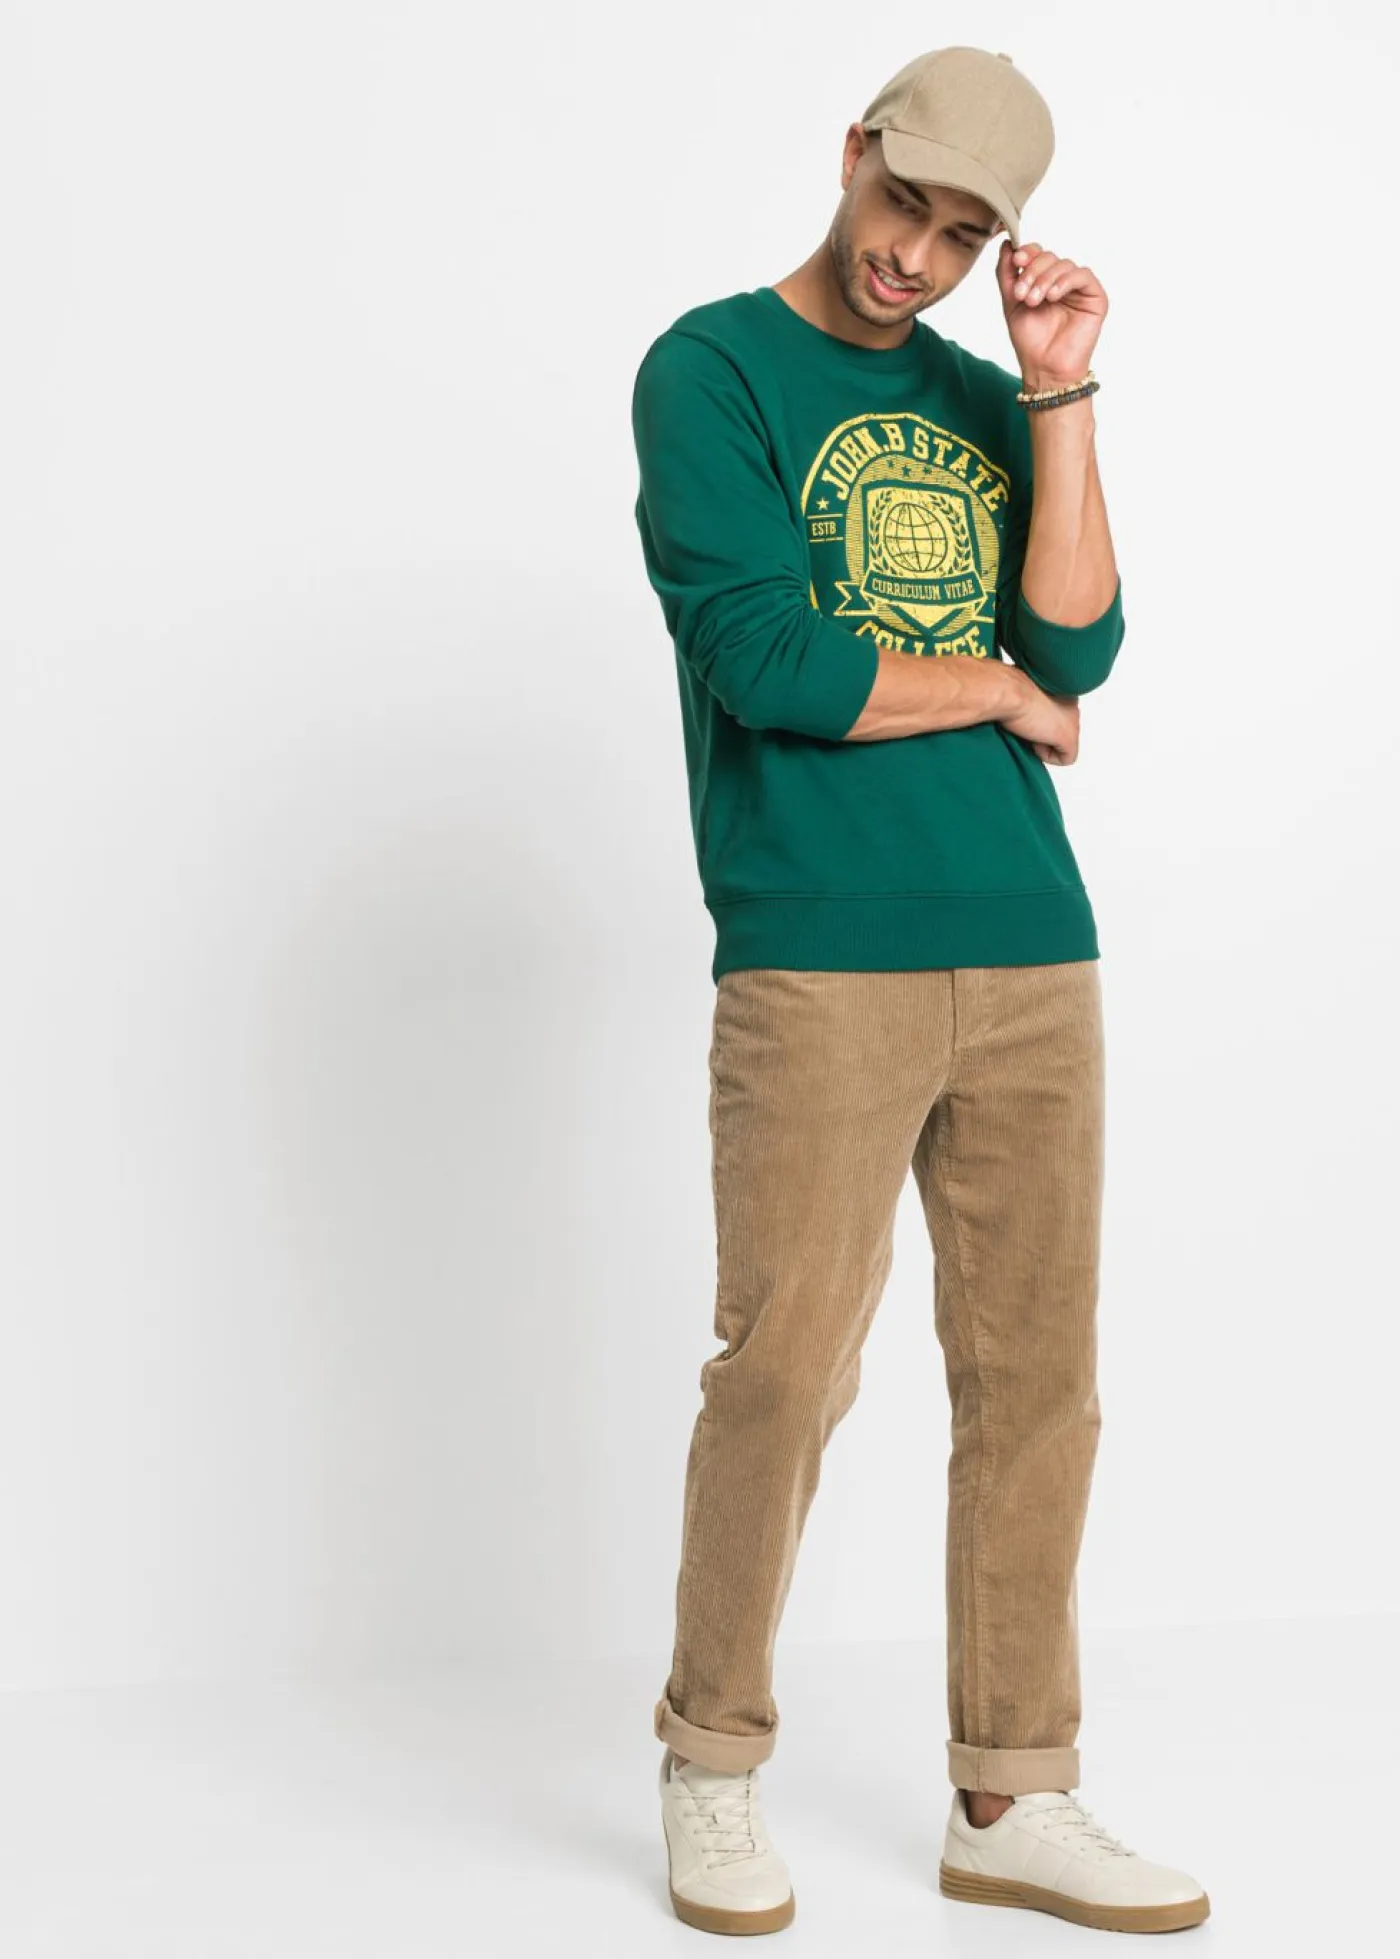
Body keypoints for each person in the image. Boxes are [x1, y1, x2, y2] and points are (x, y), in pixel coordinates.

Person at [628, 45, 1209, 1939]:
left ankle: (1012, 1792)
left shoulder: (980, 393)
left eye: (964, 234)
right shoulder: (712, 370)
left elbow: (1078, 641)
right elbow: (773, 660)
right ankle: (713, 1762)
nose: (917, 255)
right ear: (853, 152)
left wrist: (1060, 392)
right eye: (906, 203)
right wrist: (999, 693)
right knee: (784, 1369)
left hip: (1031, 942)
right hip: (818, 945)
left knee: (1041, 1382)